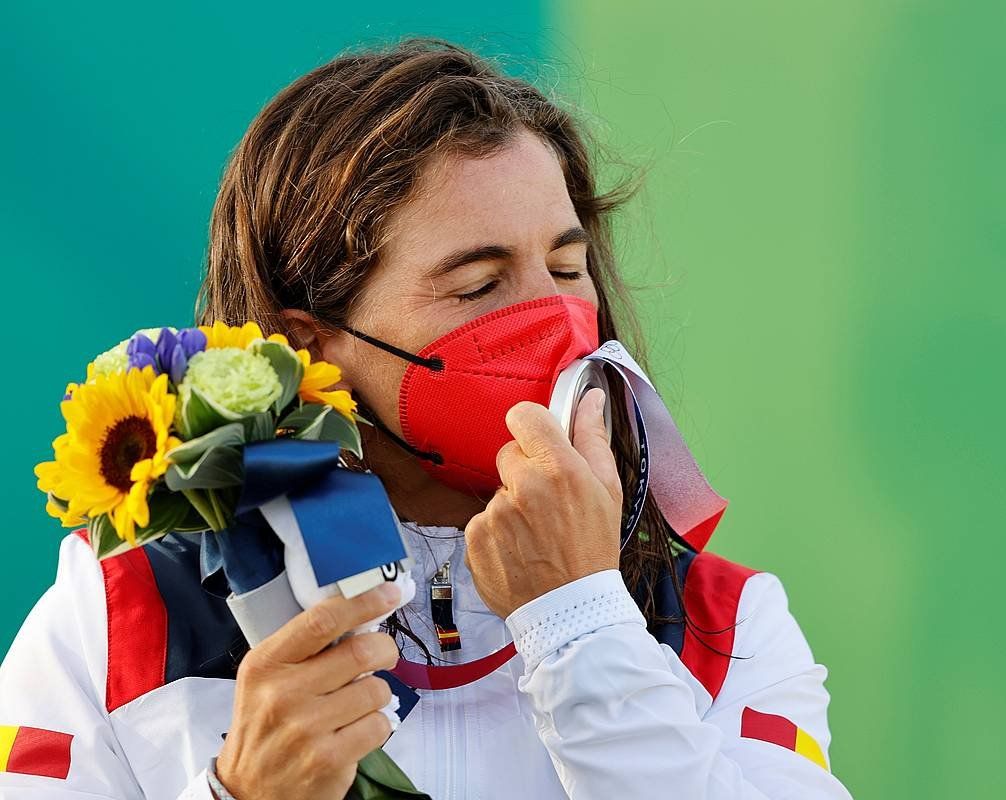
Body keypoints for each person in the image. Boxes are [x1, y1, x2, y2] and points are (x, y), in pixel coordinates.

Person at [0, 38, 854, 799]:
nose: (553, 324)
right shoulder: (123, 611)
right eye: (478, 286)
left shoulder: (723, 622)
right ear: (312, 346)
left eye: (566, 266)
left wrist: (584, 626)